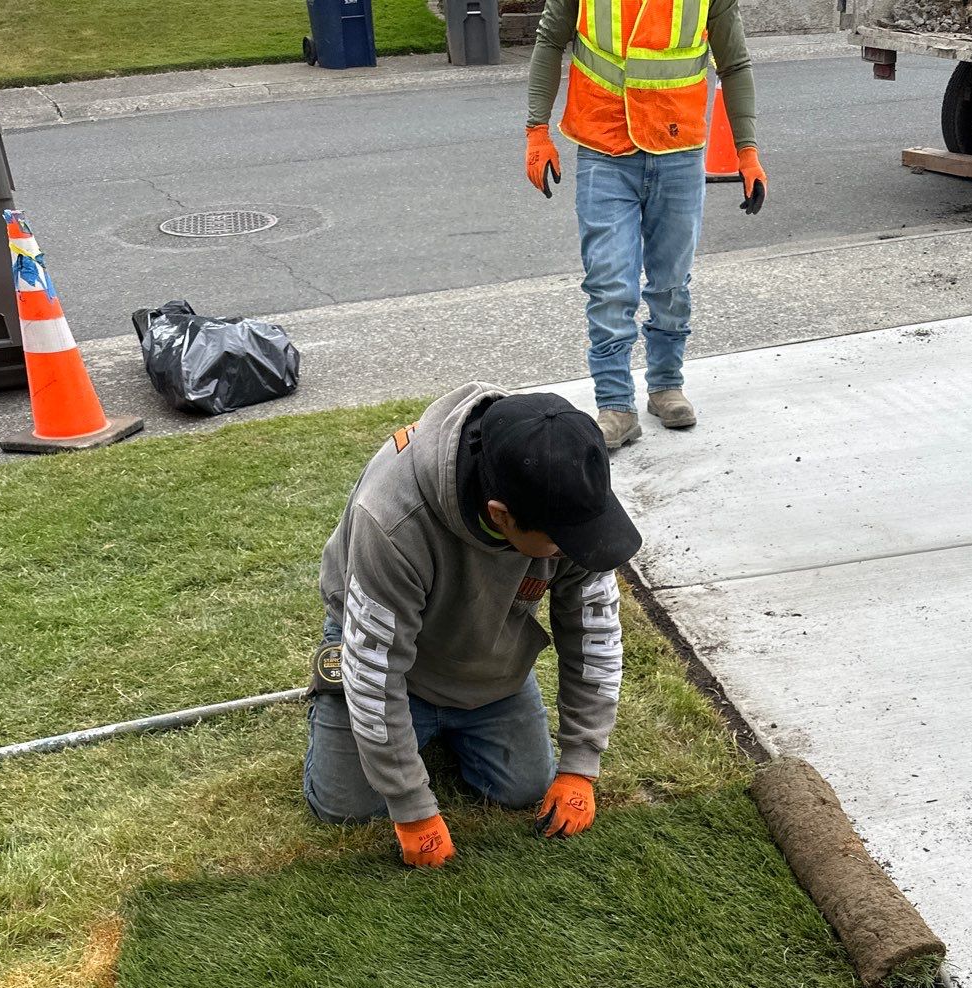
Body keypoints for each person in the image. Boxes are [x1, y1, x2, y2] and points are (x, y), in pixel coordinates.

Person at [304, 386, 641, 868]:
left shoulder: (566, 499)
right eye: (561, 542)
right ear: (500, 515)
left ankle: (440, 722)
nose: (577, 550)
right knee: (345, 808)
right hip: (387, 647)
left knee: (524, 787)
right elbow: (376, 671)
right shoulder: (393, 518)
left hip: (486, 645)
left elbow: (594, 632)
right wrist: (413, 810)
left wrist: (581, 764)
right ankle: (347, 702)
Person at [524, 0, 767, 452]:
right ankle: (615, 405)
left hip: (679, 147)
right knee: (610, 283)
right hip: (604, 146)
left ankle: (666, 386)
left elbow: (734, 64)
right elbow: (549, 41)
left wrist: (746, 150)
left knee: (671, 283)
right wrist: (537, 130)